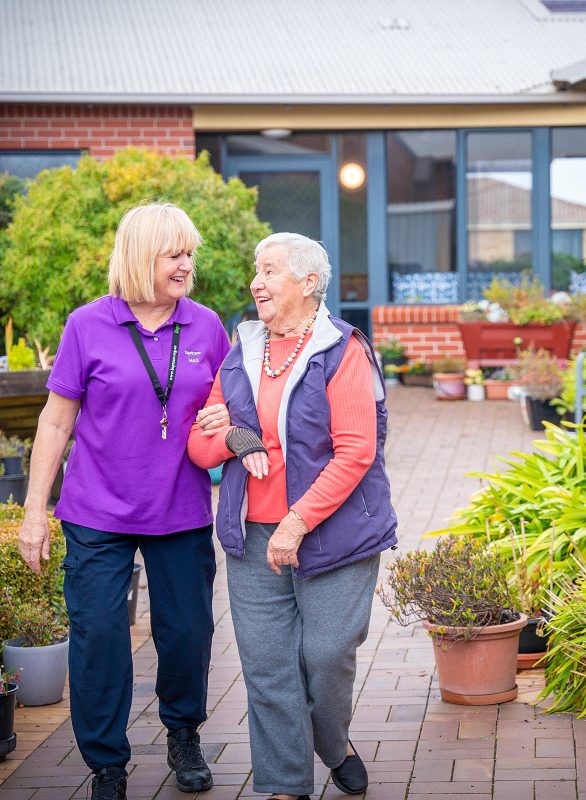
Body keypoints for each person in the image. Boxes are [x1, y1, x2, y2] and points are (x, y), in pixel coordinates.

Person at [19, 203, 231, 800]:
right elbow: (57, 422)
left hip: (181, 508)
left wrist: (227, 417)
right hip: (96, 510)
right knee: (100, 635)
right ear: (143, 259)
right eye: (175, 255)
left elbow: (231, 404)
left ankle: (183, 733)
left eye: (190, 253)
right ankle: (107, 763)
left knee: (188, 633)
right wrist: (36, 510)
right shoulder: (87, 325)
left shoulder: (207, 326)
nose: (187, 264)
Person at [188, 232, 397, 800]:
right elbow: (200, 446)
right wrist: (233, 435)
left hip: (333, 534)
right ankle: (285, 786)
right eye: (255, 269)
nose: (256, 281)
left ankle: (332, 745)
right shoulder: (242, 351)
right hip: (252, 537)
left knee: (326, 655)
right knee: (269, 669)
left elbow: (356, 450)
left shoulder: (341, 349)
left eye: (271, 270)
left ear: (309, 283)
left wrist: (297, 521)